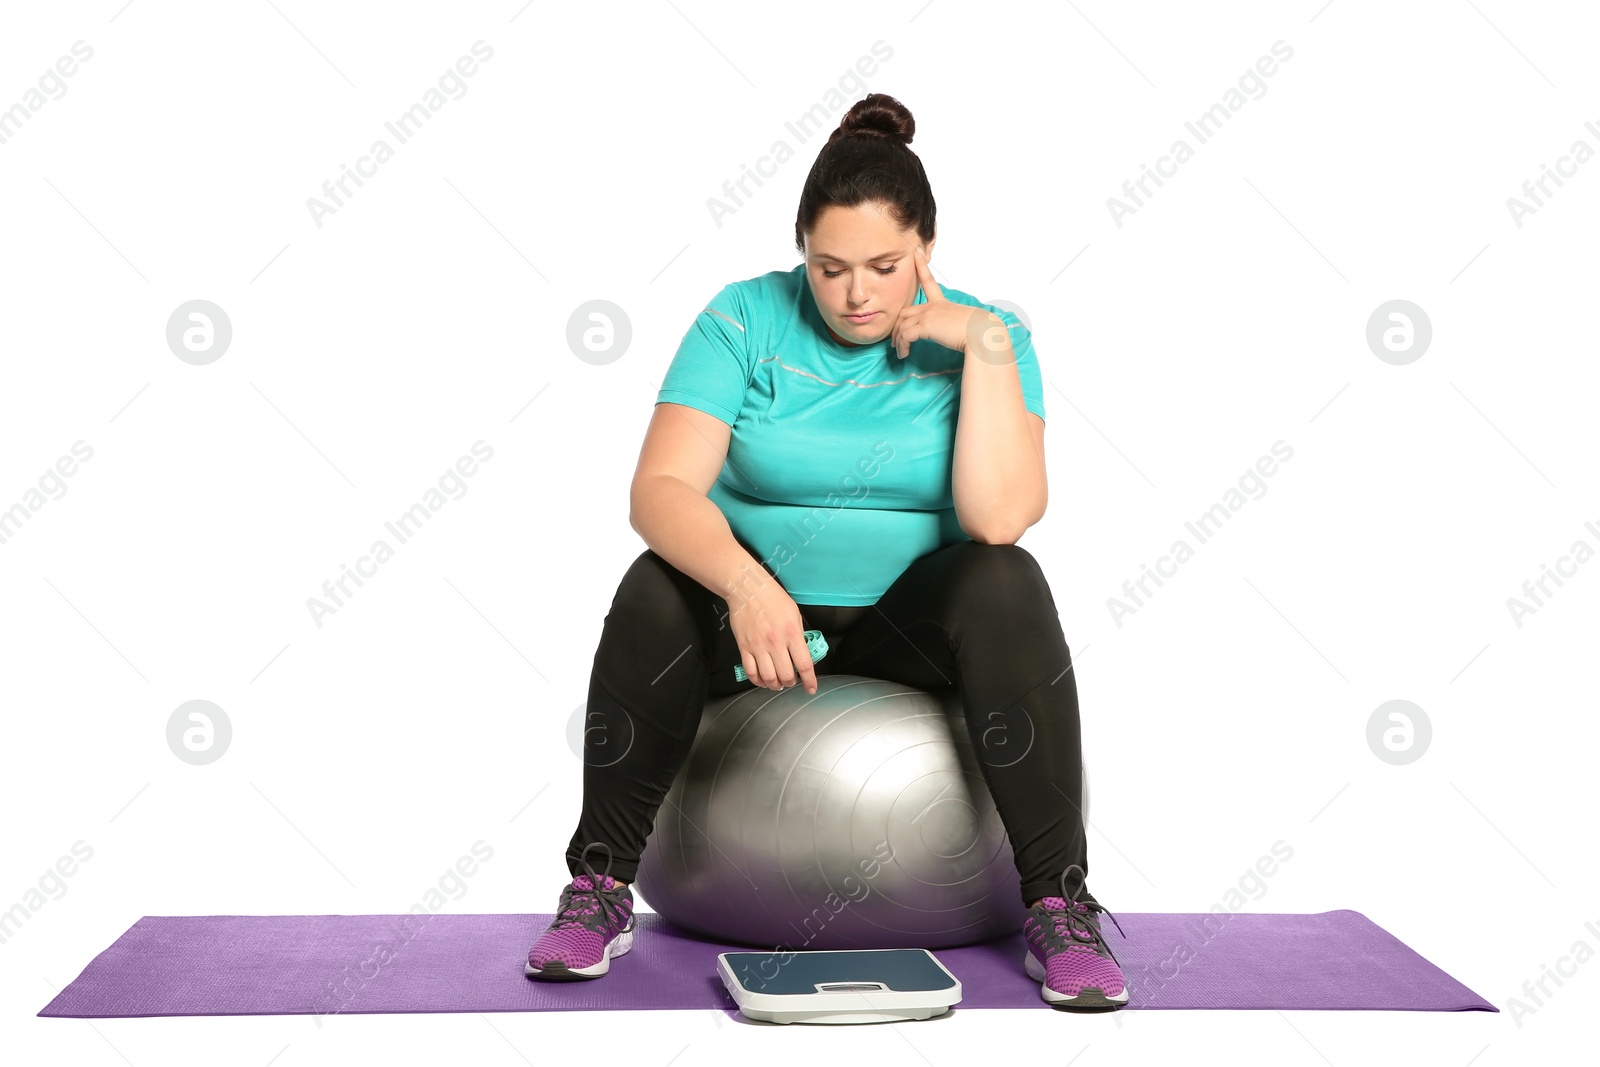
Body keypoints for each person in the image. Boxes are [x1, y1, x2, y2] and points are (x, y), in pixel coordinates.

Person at [525, 92, 1128, 1008]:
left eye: (885, 266)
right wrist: (744, 584)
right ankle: (598, 885)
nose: (855, 295)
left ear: (928, 247)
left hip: (908, 630)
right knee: (654, 585)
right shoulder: (744, 319)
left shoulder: (990, 340)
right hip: (754, 620)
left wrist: (987, 347)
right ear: (799, 247)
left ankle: (1060, 902)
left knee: (1007, 577)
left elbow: (999, 516)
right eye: (830, 266)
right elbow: (659, 491)